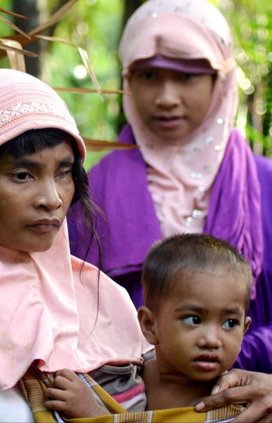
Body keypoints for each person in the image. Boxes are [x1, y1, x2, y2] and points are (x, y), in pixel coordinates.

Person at [0, 68, 272, 423]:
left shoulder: (97, 305)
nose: (52, 198)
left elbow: (170, 406)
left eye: (64, 172)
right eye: (22, 175)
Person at [68, 0, 272, 373]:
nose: (165, 97)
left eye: (185, 76)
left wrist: (248, 364)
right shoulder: (89, 192)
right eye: (148, 76)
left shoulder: (266, 185)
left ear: (220, 80)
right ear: (127, 80)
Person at [45, 234, 252, 420]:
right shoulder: (119, 376)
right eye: (194, 320)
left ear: (244, 329)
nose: (212, 340)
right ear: (149, 325)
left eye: (229, 323)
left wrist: (94, 415)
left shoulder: (233, 405)